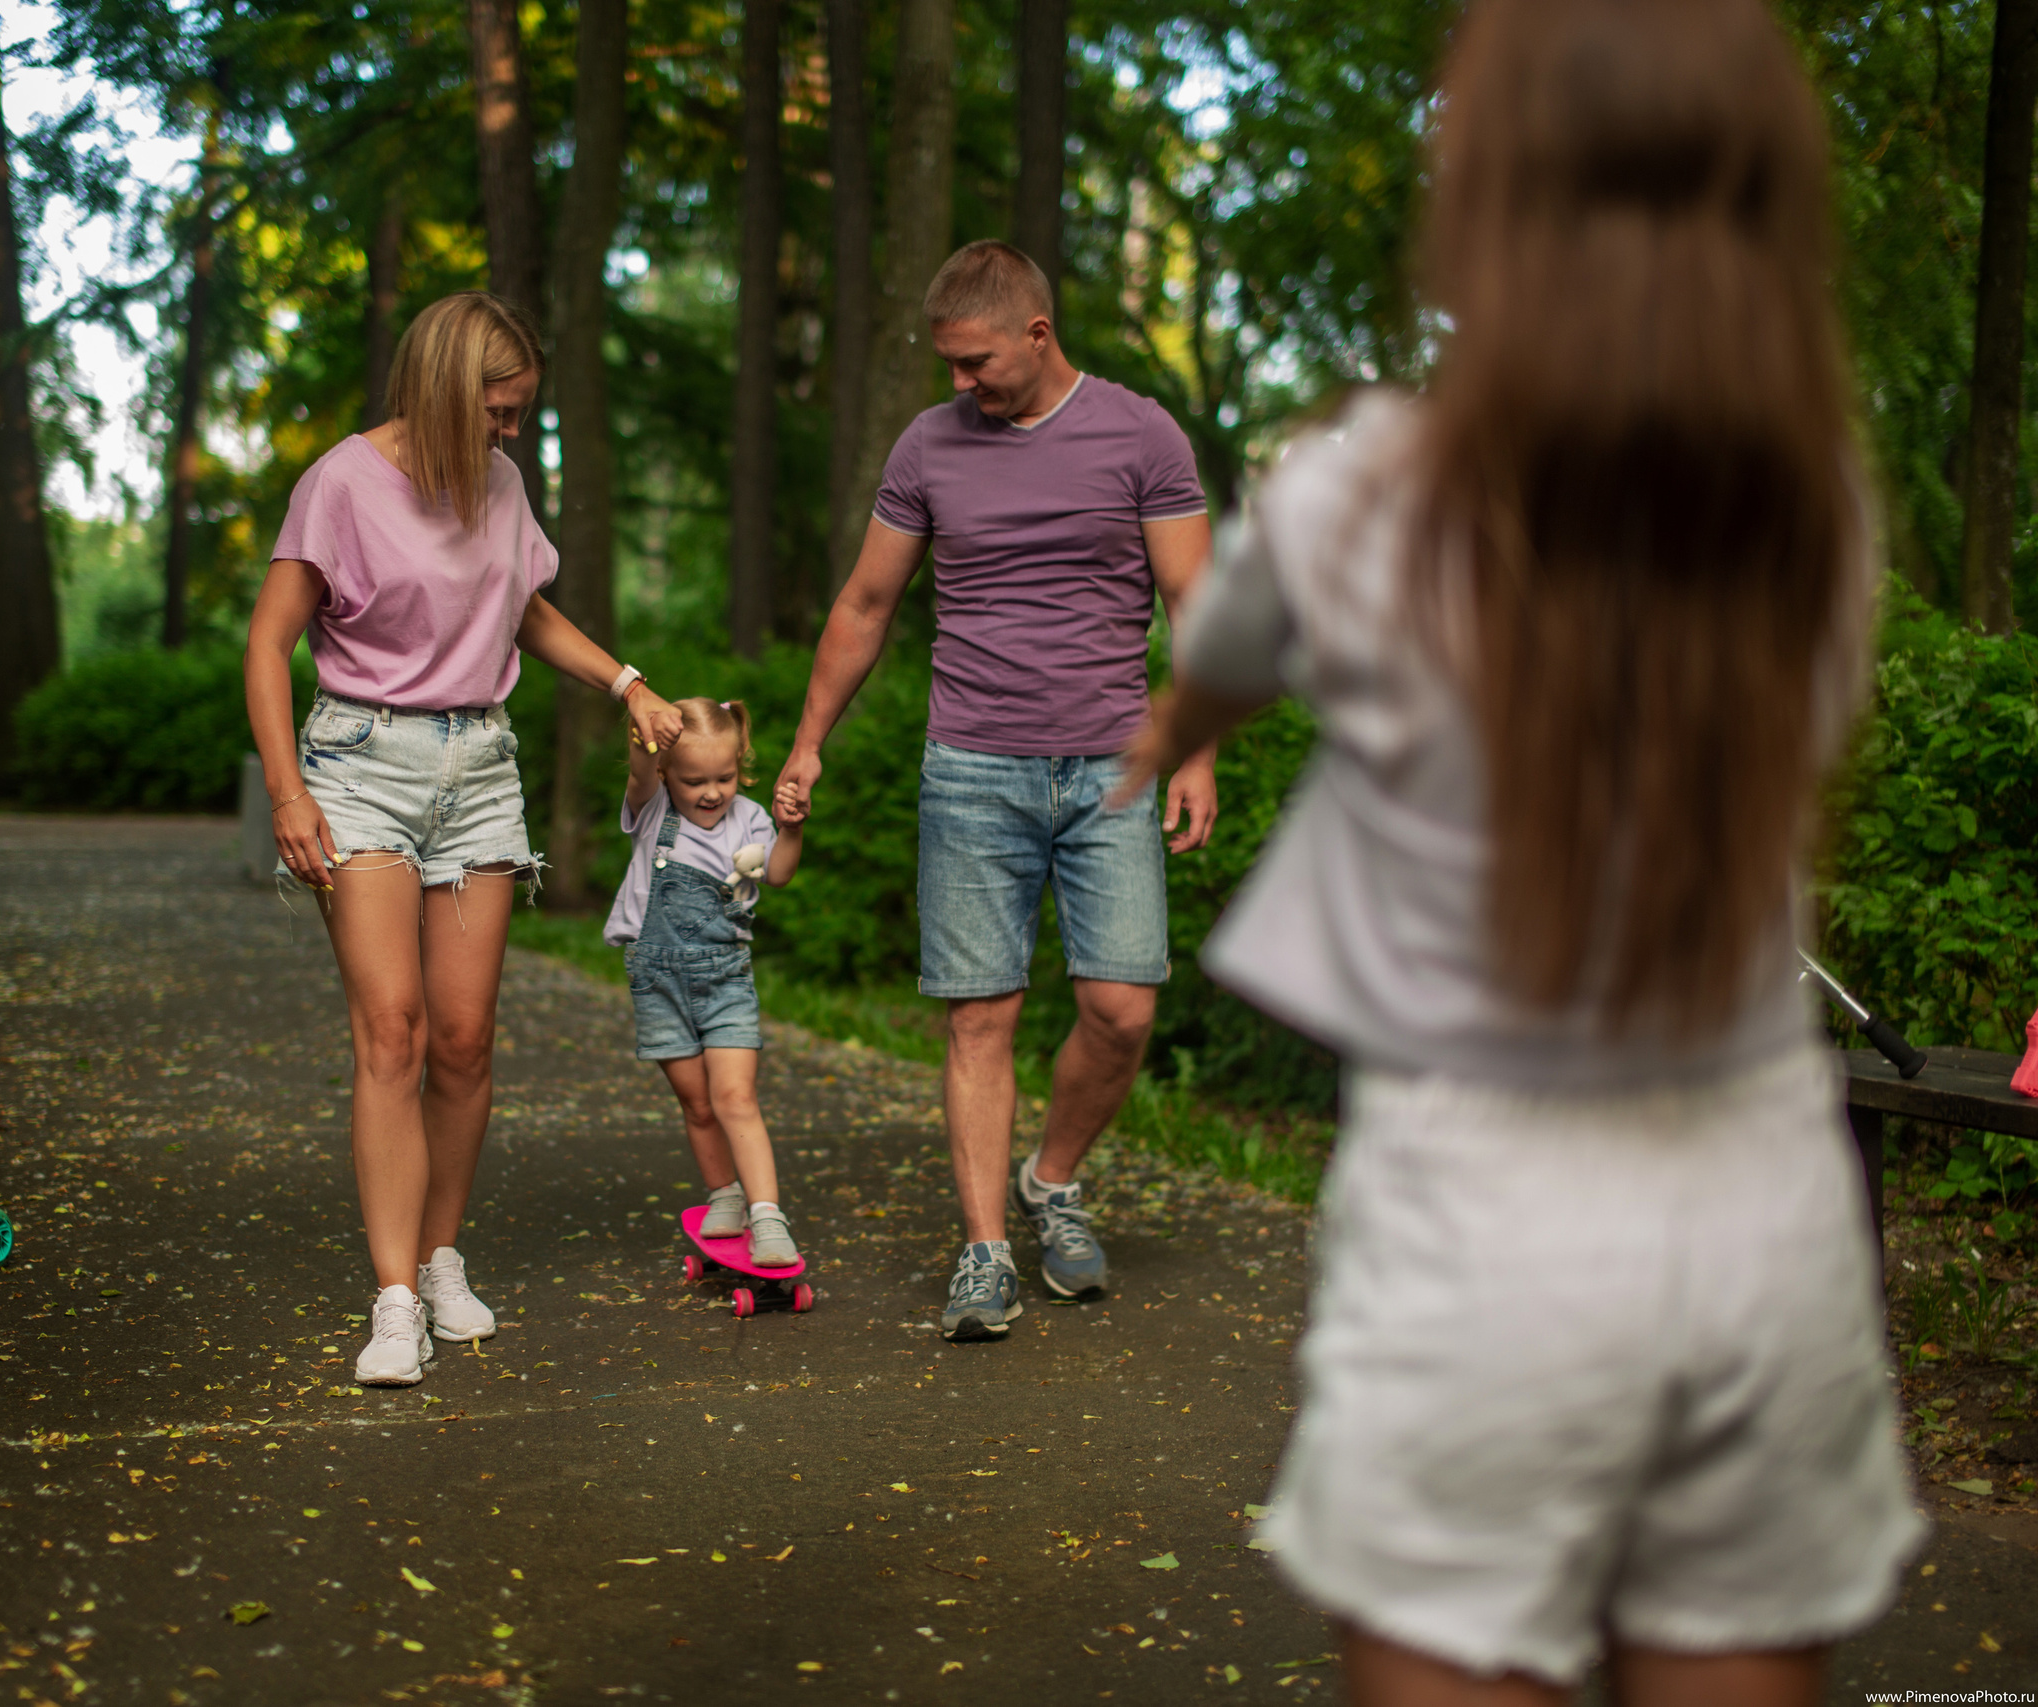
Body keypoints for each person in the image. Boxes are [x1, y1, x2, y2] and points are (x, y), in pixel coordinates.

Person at [1122, 1, 1923, 1698]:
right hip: (1767, 1211)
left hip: (1484, 1226)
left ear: (1486, 196)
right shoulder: (1820, 510)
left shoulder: (1364, 494)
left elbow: (1224, 658)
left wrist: (1172, 734)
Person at [776, 240, 1216, 1341]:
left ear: (1037, 331)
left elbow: (1194, 600)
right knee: (981, 1014)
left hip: (1113, 768)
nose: (959, 381)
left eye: (976, 361)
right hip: (972, 765)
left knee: (1122, 1011)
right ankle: (983, 1254)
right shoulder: (928, 445)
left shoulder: (1141, 434)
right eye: (948, 362)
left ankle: (1049, 1178)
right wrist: (808, 742)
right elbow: (865, 605)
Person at [245, 291, 685, 1388]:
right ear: (445, 389)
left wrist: (627, 683)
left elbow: (518, 608)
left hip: (480, 768)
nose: (511, 429)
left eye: (519, 410)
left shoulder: (500, 483)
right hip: (361, 766)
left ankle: (442, 1257)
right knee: (390, 1032)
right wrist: (289, 793)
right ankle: (394, 1299)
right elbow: (267, 644)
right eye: (498, 409)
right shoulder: (342, 483)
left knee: (463, 1040)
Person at [605, 698, 807, 1266]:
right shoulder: (652, 809)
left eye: (724, 777)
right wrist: (644, 737)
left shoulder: (750, 819)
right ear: (666, 772)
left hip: (725, 979)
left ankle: (767, 1215)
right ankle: (725, 1193)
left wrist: (790, 829)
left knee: (735, 1097)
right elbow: (639, 772)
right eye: (694, 781)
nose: (712, 792)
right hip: (657, 982)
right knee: (696, 1104)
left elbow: (778, 873)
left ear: (740, 766)